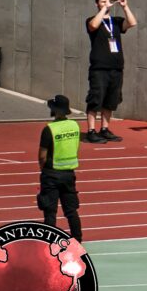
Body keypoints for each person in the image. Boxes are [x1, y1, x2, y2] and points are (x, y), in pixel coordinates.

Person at [85, 0, 135, 144]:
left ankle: (105, 129)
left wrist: (125, 7)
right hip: (99, 68)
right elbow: (93, 25)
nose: (106, 4)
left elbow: (132, 23)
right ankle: (91, 131)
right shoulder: (92, 20)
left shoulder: (116, 21)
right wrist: (103, 9)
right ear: (97, 4)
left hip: (116, 68)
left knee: (111, 100)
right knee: (95, 99)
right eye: (102, 1)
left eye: (107, 1)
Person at [37, 94, 83, 239]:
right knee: (71, 211)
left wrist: (43, 169)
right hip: (69, 173)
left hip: (51, 173)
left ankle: (49, 242)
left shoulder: (49, 129)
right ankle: (77, 239)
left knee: (50, 211)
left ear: (54, 110)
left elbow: (42, 155)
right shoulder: (75, 126)